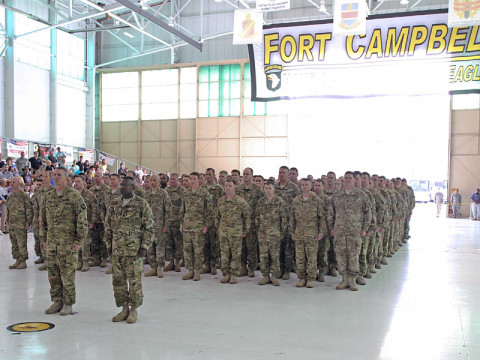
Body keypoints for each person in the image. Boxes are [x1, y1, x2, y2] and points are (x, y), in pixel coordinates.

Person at [104, 176, 154, 324]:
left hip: (134, 251)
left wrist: (144, 247)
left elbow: (150, 228)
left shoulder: (141, 204)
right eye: (121, 185)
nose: (122, 187)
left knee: (134, 282)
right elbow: (108, 226)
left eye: (125, 185)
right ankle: (124, 308)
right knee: (118, 282)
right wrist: (108, 245)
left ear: (133, 187)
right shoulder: (114, 204)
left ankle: (134, 310)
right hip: (117, 250)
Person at [40, 167, 88, 316]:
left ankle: (68, 303)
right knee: (53, 275)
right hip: (52, 242)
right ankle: (57, 301)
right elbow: (42, 219)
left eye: (59, 175)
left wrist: (79, 240)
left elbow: (82, 219)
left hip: (68, 243)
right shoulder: (49, 197)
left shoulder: (74, 196)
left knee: (67, 275)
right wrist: (44, 239)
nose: (56, 177)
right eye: (54, 175)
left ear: (67, 178)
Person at [328, 171, 371, 291]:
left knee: (353, 256)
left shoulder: (361, 195)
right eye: (345, 178)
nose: (347, 180)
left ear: (355, 180)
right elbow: (331, 213)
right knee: (341, 256)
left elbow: (368, 213)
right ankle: (344, 279)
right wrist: (331, 227)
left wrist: (365, 229)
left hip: (354, 232)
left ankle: (352, 280)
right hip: (340, 231)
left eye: (350, 178)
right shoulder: (336, 195)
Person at [290, 178, 326, 288]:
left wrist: (321, 232)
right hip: (299, 233)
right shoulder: (296, 200)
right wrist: (292, 231)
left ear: (311, 186)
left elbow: (322, 218)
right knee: (300, 257)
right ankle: (301, 278)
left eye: (307, 185)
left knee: (311, 257)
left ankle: (310, 278)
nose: (304, 186)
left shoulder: (316, 200)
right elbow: (292, 218)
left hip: (312, 233)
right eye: (303, 185)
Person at [179, 172, 213, 281]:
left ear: (199, 180)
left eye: (194, 178)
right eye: (191, 179)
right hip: (187, 226)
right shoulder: (186, 193)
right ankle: (190, 271)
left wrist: (206, 225)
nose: (192, 180)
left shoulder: (204, 193)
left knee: (198, 250)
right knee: (187, 250)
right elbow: (182, 210)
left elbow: (209, 211)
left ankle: (197, 271)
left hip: (199, 226)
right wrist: (181, 223)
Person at [216, 179, 251, 284]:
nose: (227, 187)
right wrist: (218, 227)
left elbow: (247, 216)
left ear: (235, 188)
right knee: (224, 254)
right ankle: (226, 274)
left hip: (236, 233)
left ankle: (234, 274)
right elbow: (217, 216)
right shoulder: (220, 201)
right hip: (223, 232)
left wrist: (246, 230)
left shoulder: (240, 202)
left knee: (236, 254)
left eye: (230, 186)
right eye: (226, 185)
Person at [255, 180, 286, 286]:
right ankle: (265, 276)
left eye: (270, 188)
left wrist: (282, 232)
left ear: (274, 189)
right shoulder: (261, 202)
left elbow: (283, 218)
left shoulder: (279, 201)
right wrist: (258, 230)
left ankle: (274, 276)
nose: (268, 191)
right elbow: (257, 217)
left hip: (274, 234)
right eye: (266, 188)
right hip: (263, 234)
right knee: (263, 256)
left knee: (275, 256)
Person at [236, 167, 264, 277]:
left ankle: (251, 267)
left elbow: (261, 206)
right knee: (241, 246)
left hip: (252, 223)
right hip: (240, 222)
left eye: (247, 174)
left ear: (252, 175)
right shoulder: (238, 189)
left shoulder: (257, 190)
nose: (245, 176)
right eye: (244, 174)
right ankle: (242, 266)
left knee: (251, 246)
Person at [275, 166, 300, 280]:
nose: (282, 175)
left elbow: (299, 205)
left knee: (289, 247)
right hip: (276, 222)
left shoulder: (294, 188)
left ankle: (287, 270)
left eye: (284, 173)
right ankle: (279, 268)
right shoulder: (274, 187)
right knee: (278, 247)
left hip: (289, 222)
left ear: (289, 174)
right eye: (280, 173)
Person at [144, 175, 172, 278]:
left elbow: (168, 211)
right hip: (149, 226)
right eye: (150, 180)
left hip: (160, 226)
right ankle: (153, 268)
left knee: (160, 247)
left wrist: (166, 225)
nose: (152, 182)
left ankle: (160, 267)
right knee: (150, 248)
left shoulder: (163, 194)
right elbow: (143, 211)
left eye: (154, 180)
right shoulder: (146, 194)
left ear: (159, 181)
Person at [201, 168, 225, 275]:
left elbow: (223, 204)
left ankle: (214, 265)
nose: (208, 176)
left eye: (210, 174)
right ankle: (206, 265)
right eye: (206, 174)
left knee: (215, 244)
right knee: (205, 243)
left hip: (215, 220)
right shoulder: (202, 189)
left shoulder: (219, 189)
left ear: (214, 175)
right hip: (204, 220)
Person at [6, 177, 33, 270]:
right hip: (12, 223)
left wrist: (28, 222)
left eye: (14, 182)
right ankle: (17, 259)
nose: (11, 183)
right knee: (14, 243)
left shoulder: (24, 196)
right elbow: (8, 210)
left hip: (21, 222)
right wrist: (8, 221)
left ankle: (23, 261)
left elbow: (29, 209)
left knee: (21, 243)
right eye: (11, 182)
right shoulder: (10, 196)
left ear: (19, 184)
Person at [74, 175, 98, 272]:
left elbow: (94, 209)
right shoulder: (73, 194)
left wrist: (92, 221)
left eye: (78, 181)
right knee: (76, 242)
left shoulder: (89, 195)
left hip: (86, 222)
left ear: (83, 183)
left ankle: (85, 262)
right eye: (75, 182)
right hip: (75, 222)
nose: (76, 183)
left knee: (86, 243)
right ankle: (78, 261)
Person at [165, 173, 185, 272]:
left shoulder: (183, 191)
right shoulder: (166, 191)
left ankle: (177, 263)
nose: (172, 180)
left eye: (174, 179)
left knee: (178, 243)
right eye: (171, 179)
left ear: (178, 180)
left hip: (178, 221)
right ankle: (170, 262)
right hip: (168, 221)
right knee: (169, 243)